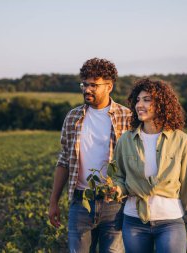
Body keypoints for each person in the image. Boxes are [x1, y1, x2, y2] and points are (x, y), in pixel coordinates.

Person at [48, 57, 131, 253]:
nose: (87, 89)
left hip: (115, 205)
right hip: (80, 203)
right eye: (84, 84)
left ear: (109, 86)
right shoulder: (73, 117)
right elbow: (64, 161)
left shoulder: (127, 117)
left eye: (94, 85)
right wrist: (53, 203)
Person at [113, 78, 187, 253]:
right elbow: (119, 177)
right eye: (138, 100)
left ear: (162, 104)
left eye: (147, 100)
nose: (140, 104)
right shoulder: (125, 140)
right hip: (134, 221)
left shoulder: (182, 141)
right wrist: (115, 189)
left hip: (170, 221)